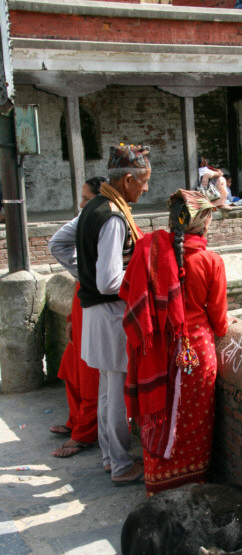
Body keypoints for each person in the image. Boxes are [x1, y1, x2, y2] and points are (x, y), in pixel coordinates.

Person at [49, 143, 150, 486]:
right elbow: (110, 282)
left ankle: (111, 458)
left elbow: (57, 245)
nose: (146, 188)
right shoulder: (113, 217)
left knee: (109, 391)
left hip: (95, 313)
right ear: (127, 182)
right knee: (117, 392)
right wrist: (139, 279)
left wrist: (83, 275)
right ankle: (121, 465)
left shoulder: (93, 206)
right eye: (143, 181)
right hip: (111, 314)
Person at [120, 189, 229, 496]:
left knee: (159, 420)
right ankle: (190, 490)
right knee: (191, 428)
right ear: (204, 224)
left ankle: (157, 488)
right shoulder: (211, 261)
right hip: (194, 354)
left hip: (158, 352)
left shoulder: (151, 253)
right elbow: (220, 321)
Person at [48, 176, 106, 458]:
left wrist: (86, 274)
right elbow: (58, 245)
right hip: (82, 297)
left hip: (96, 300)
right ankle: (76, 422)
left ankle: (85, 433)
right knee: (71, 368)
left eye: (86, 198)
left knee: (90, 372)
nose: (81, 204)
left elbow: (57, 244)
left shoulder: (105, 218)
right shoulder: (90, 217)